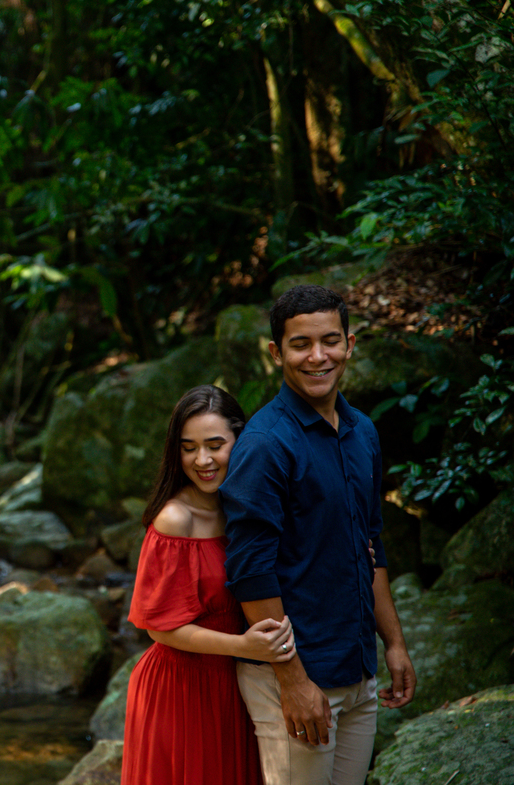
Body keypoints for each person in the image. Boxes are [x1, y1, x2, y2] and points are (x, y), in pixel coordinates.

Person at [221, 284, 416, 785]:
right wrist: (294, 681)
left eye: (330, 341)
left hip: (356, 665)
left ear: (350, 345)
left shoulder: (363, 432)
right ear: (275, 353)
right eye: (300, 344)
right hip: (298, 676)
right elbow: (251, 573)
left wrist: (392, 643)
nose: (317, 356)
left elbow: (369, 543)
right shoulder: (265, 444)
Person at [122, 384, 297, 785]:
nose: (202, 460)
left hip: (236, 683)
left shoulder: (246, 507)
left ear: (241, 440)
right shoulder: (175, 520)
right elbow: (160, 626)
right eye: (188, 448)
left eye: (215, 445)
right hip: (181, 688)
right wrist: (243, 646)